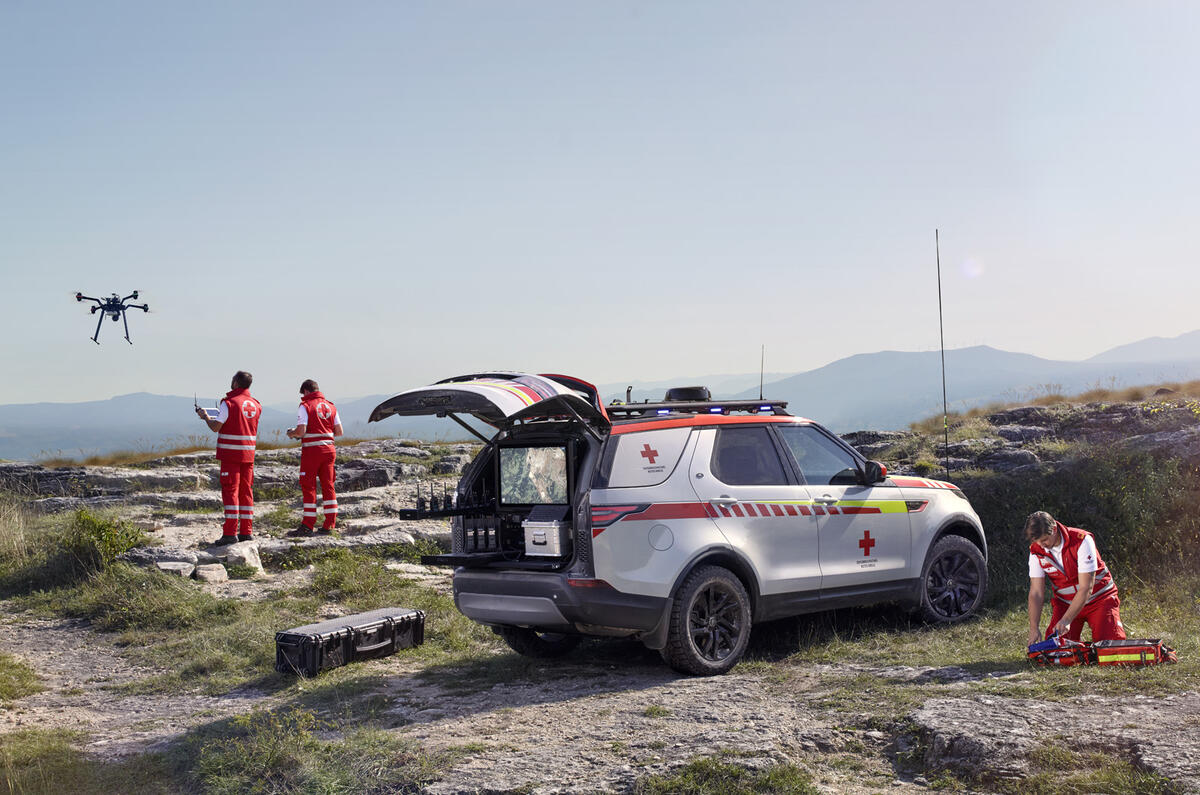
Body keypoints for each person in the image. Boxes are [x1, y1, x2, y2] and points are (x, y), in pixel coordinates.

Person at [1026, 510, 1126, 646]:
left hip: (1099, 600)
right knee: (1054, 650)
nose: (1042, 545)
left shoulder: (1082, 540)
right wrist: (1034, 628)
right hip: (1066, 604)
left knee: (1111, 648)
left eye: (1044, 539)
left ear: (1054, 528)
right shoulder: (1036, 551)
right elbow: (1036, 593)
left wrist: (1066, 620)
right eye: (1037, 541)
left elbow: (1086, 588)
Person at [195, 371, 261, 545]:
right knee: (246, 491)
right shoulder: (256, 404)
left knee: (231, 491)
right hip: (249, 455)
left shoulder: (229, 403)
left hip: (231, 454)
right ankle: (246, 531)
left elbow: (216, 427)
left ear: (236, 383)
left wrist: (206, 417)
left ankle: (230, 533)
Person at [285, 379, 343, 537]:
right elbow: (339, 432)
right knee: (328, 485)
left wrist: (292, 433)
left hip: (312, 451)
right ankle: (330, 523)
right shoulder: (331, 406)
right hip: (329, 450)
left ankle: (308, 525)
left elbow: (301, 431)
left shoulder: (305, 406)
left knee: (309, 486)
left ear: (306, 391)